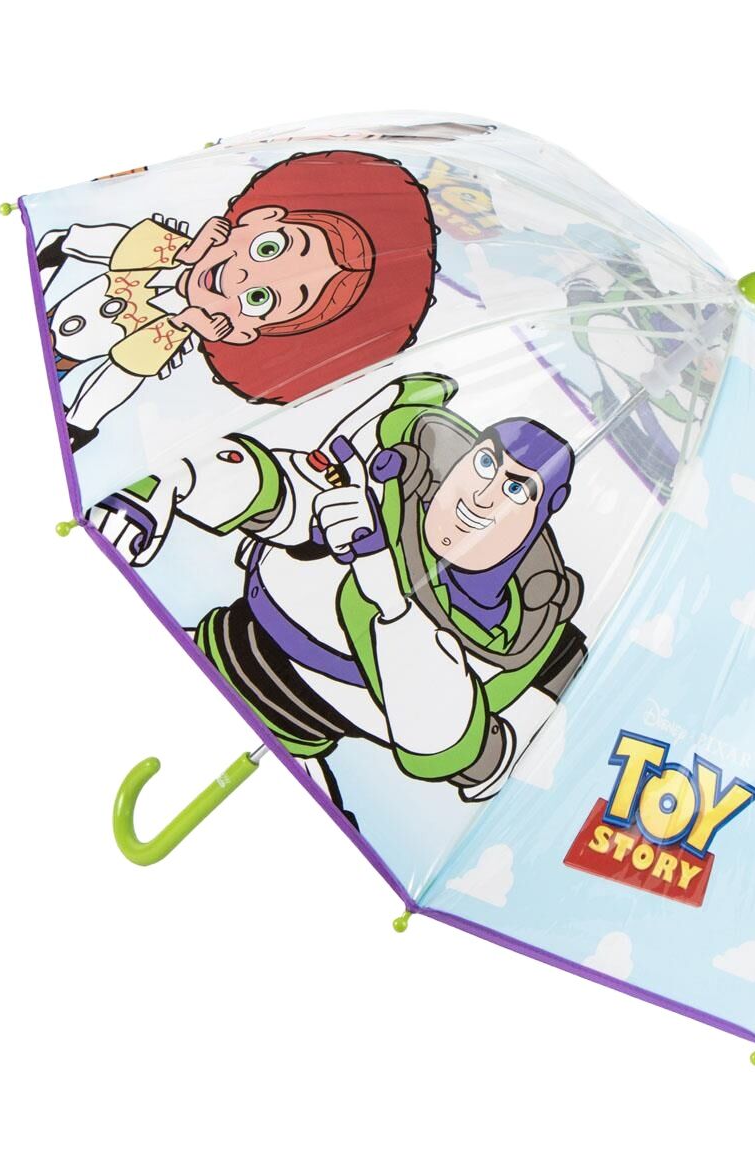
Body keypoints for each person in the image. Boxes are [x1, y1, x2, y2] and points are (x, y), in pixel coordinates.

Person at [91, 373, 587, 819]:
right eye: (485, 463)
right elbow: (282, 494)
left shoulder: (527, 637)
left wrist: (391, 604)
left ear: (549, 507)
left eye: (517, 490)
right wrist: (173, 485)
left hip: (305, 746)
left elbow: (451, 746)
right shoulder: (388, 477)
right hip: (208, 645)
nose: (482, 496)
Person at [37, 151, 438, 449]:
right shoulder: (163, 247)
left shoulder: (171, 332)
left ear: (243, 333)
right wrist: (184, 252)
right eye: (268, 249)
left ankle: (78, 423)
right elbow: (101, 244)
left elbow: (122, 371)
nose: (240, 277)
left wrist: (185, 322)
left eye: (260, 299)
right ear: (260, 218)